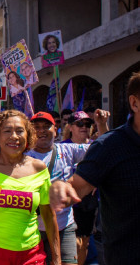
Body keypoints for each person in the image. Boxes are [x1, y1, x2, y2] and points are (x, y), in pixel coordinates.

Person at [49, 71, 140, 264]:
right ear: (134, 103)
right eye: (80, 124)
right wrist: (61, 188)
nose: (84, 127)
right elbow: (76, 187)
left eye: (87, 124)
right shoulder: (109, 146)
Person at [0, 110, 61, 265]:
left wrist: (56, 259)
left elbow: (49, 215)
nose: (14, 136)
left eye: (20, 131)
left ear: (28, 136)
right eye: (7, 131)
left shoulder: (39, 168)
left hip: (32, 255)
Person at [26, 111, 109, 265]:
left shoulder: (67, 150)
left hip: (64, 227)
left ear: (55, 128)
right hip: (31, 228)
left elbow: (105, 148)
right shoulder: (21, 156)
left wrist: (101, 124)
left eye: (46, 126)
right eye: (36, 127)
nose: (41, 130)